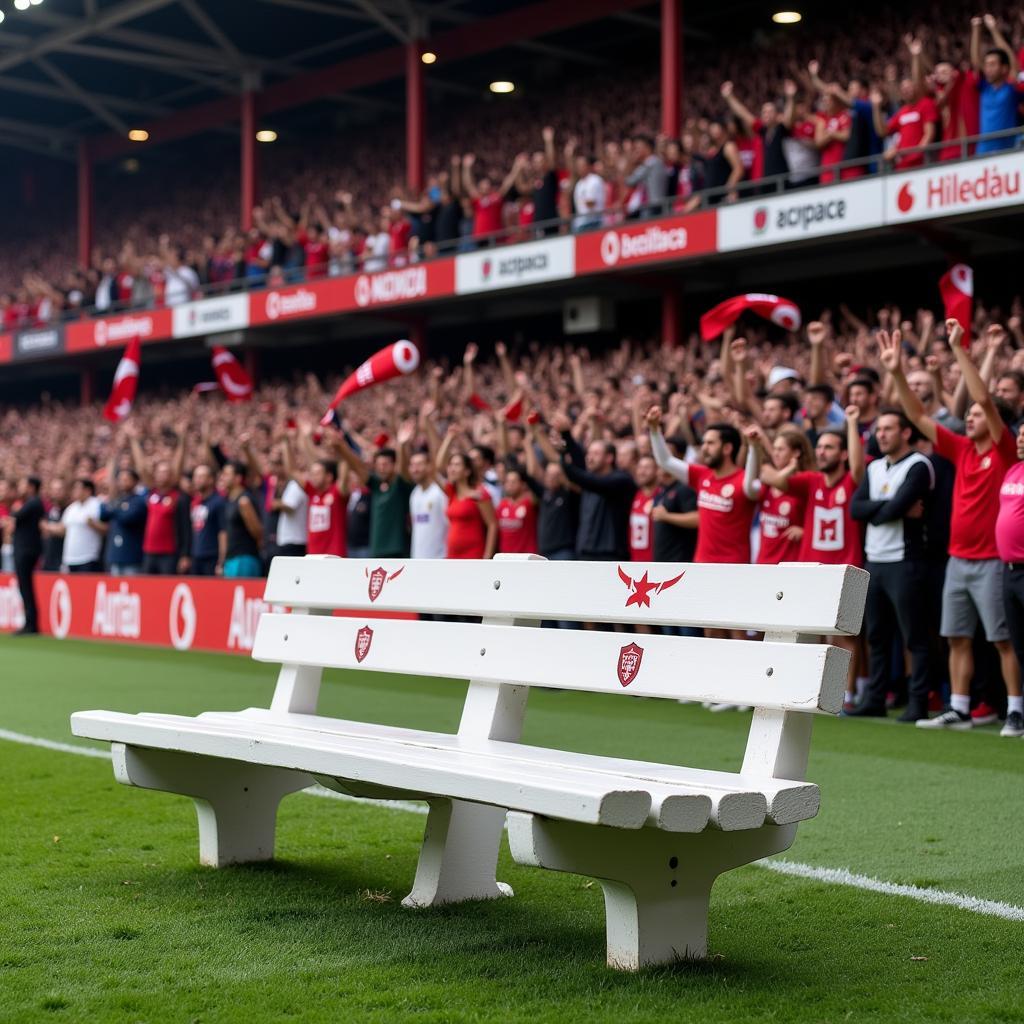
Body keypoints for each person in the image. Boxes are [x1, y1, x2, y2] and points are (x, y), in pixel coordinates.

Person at [881, 321, 1022, 733]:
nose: (971, 416)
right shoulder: (960, 447)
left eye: (978, 414)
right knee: (956, 637)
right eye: (970, 414)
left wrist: (961, 349)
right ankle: (959, 707)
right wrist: (895, 373)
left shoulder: (1003, 449)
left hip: (993, 561)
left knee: (1002, 641)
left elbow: (982, 396)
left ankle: (1014, 708)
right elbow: (917, 415)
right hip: (958, 559)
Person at [760, 406, 867, 708]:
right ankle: (809, 689)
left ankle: (847, 694)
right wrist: (790, 465)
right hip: (812, 570)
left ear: (843, 454)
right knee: (810, 635)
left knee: (845, 636)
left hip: (846, 570)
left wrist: (852, 422)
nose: (822, 452)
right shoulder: (810, 481)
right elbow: (773, 479)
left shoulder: (851, 481)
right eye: (819, 447)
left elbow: (858, 467)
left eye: (829, 447)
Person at [850, 409, 937, 722]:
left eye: (888, 429)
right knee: (876, 635)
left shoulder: (918, 465)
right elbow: (856, 509)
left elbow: (889, 509)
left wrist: (883, 510)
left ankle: (918, 702)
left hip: (905, 560)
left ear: (906, 433)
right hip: (875, 561)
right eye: (878, 429)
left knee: (914, 636)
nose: (881, 434)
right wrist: (887, 509)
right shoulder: (874, 468)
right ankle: (875, 698)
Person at [648, 407, 755, 565]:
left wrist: (754, 448)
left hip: (734, 567)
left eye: (710, 443)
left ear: (727, 448)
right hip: (701, 564)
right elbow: (665, 461)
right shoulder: (702, 475)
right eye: (704, 443)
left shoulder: (744, 480)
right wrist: (654, 430)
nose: (704, 448)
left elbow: (754, 486)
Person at [554, 412, 634, 562]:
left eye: (596, 454)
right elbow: (579, 462)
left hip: (611, 556)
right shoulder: (591, 478)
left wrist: (563, 461)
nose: (589, 457)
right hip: (585, 553)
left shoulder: (621, 481)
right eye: (589, 453)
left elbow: (586, 479)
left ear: (609, 458)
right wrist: (566, 434)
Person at [335, 424, 415, 559]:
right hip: (376, 550)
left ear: (394, 465)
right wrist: (340, 445)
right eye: (378, 465)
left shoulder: (401, 485)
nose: (381, 468)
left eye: (385, 464)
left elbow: (403, 471)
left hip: (398, 550)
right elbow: (357, 467)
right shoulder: (376, 485)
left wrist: (401, 446)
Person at [743, 425, 811, 565]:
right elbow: (749, 488)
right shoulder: (767, 483)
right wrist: (754, 447)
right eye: (774, 449)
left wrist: (806, 532)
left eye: (781, 449)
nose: (775, 453)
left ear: (796, 453)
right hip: (764, 563)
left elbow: (819, 519)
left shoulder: (805, 484)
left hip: (792, 565)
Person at [127, 421, 188, 575]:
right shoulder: (152, 492)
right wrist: (134, 441)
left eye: (166, 471)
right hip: (149, 551)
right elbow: (141, 467)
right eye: (159, 472)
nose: (162, 474)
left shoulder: (176, 495)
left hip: (169, 552)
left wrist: (182, 439)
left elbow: (178, 464)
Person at [995, 423, 1024, 736]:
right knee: (1019, 646)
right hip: (1008, 570)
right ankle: (1018, 713)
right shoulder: (1014, 470)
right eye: (1019, 434)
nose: (1020, 440)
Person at [282, 423, 347, 558]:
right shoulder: (312, 492)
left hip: (335, 557)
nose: (313, 477)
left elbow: (344, 468)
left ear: (329, 477)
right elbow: (292, 471)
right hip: (312, 557)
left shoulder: (337, 492)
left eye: (317, 473)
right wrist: (286, 442)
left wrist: (340, 447)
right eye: (312, 473)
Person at [434, 429, 497, 559]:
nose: (452, 468)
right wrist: (449, 438)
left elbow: (492, 525)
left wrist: (487, 556)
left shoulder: (479, 494)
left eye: (457, 465)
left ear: (467, 471)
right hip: (452, 553)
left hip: (474, 553)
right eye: (450, 464)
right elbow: (438, 466)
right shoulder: (452, 492)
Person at [970, 15, 1020, 154]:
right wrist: (976, 30)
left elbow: (1012, 61)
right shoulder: (985, 88)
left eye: (992, 64)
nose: (988, 68)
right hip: (982, 151)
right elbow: (975, 61)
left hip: (1007, 151)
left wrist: (993, 29)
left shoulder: (1010, 88)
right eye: (986, 65)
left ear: (1004, 68)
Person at [9, 476, 44, 635]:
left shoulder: (34, 502)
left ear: (31, 487)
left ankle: (31, 623)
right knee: (24, 587)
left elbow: (16, 516)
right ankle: (29, 622)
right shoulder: (31, 503)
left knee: (26, 587)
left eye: (24, 485)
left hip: (27, 550)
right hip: (24, 549)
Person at [46, 478, 105, 573]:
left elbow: (107, 529)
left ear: (87, 490)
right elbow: (63, 529)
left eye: (78, 488)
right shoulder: (71, 508)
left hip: (88, 557)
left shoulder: (97, 505)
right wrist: (47, 527)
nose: (75, 491)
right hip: (70, 558)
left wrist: (94, 524)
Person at [99, 468, 147, 576]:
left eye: (126, 479)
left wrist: (114, 509)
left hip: (131, 556)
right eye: (120, 480)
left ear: (135, 482)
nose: (122, 482)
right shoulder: (117, 500)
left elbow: (128, 517)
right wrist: (118, 508)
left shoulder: (139, 501)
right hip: (115, 555)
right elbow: (103, 515)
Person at [219, 461, 263, 577]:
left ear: (238, 478)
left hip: (244, 559)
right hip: (231, 558)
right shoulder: (229, 500)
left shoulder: (244, 501)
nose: (222, 477)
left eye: (226, 474)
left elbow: (258, 532)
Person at [188, 462, 227, 574]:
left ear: (211, 480)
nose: (197, 480)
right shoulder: (195, 502)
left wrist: (221, 561)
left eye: (201, 476)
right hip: (196, 556)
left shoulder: (218, 502)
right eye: (195, 476)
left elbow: (223, 532)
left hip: (211, 556)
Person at [495, 461, 538, 555]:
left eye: (514, 482)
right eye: (507, 482)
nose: (510, 485)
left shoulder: (530, 501)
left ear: (523, 484)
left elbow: (533, 476)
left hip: (527, 556)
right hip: (506, 556)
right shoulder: (502, 504)